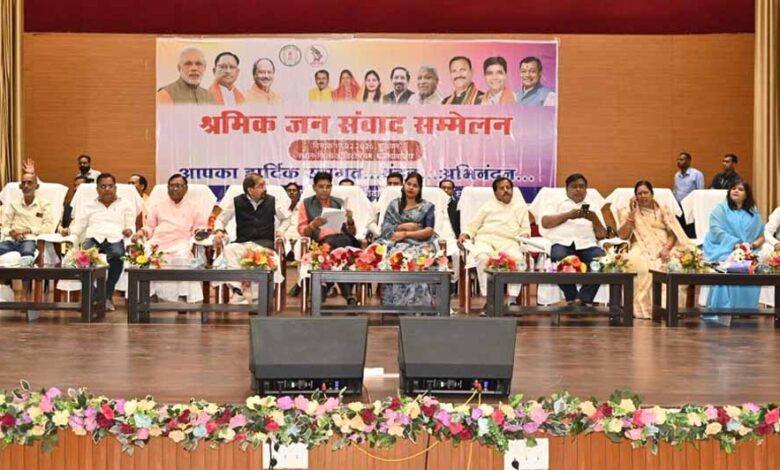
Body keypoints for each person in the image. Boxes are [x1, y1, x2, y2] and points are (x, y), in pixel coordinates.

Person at [617, 180, 692, 319]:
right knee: (635, 263)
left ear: (652, 194)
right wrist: (631, 215)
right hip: (640, 245)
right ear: (635, 196)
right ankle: (643, 309)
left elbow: (673, 232)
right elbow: (623, 235)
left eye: (645, 193)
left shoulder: (663, 209)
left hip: (666, 244)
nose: (643, 196)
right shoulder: (627, 211)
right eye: (639, 194)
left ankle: (669, 308)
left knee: (676, 265)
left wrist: (666, 248)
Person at [62, 173, 135, 311]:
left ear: (115, 188)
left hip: (115, 238)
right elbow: (79, 225)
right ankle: (96, 293)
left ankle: (107, 295)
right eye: (103, 186)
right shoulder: (88, 205)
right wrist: (69, 231)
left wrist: (129, 230)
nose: (107, 189)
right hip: (93, 238)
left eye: (110, 186)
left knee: (117, 256)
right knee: (81, 258)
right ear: (97, 189)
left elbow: (131, 225)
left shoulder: (125, 204)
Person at [214, 173, 290, 303]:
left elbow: (286, 218)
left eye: (264, 185)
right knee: (229, 250)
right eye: (261, 186)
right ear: (250, 190)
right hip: (243, 244)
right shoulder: (237, 201)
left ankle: (257, 298)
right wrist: (219, 230)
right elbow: (221, 219)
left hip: (264, 245)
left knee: (267, 259)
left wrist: (281, 231)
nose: (265, 188)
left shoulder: (272, 201)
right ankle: (239, 290)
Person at [133, 174, 208, 302]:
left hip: (181, 241)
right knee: (145, 255)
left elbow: (199, 227)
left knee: (182, 256)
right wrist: (141, 232)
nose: (174, 189)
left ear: (185, 188)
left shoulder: (194, 206)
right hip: (158, 241)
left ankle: (183, 295)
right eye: (171, 186)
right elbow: (150, 227)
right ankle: (150, 294)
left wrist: (199, 233)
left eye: (178, 186)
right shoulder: (158, 205)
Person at [458, 177, 531, 303]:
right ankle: (489, 299)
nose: (506, 190)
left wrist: (524, 235)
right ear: (495, 192)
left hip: (509, 241)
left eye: (508, 188)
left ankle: (512, 299)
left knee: (519, 260)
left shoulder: (520, 207)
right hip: (486, 240)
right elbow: (473, 224)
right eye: (502, 188)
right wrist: (466, 234)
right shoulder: (487, 206)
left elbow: (525, 228)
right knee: (482, 257)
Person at [540, 173, 607, 305]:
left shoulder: (592, 206)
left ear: (586, 190)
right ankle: (572, 297)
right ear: (567, 189)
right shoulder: (556, 202)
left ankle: (581, 299)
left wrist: (594, 218)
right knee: (559, 260)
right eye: (574, 186)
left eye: (581, 186)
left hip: (587, 244)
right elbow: (545, 223)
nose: (578, 189)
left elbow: (602, 235)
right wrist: (568, 215)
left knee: (601, 261)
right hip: (562, 243)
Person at [703, 180, 764, 321]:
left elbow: (761, 236)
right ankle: (723, 309)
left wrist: (751, 246)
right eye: (733, 188)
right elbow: (716, 231)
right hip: (722, 248)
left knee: (753, 265)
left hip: (746, 250)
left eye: (740, 189)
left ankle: (745, 309)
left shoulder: (753, 213)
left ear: (747, 194)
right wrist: (735, 245)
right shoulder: (720, 209)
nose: (736, 191)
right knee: (729, 264)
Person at [298, 172, 359, 305]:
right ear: (314, 187)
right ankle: (348, 294)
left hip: (343, 240)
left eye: (328, 187)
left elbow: (352, 232)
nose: (325, 190)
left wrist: (350, 220)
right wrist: (313, 225)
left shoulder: (339, 202)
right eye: (321, 187)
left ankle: (324, 287)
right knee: (334, 246)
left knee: (339, 242)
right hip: (320, 243)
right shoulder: (306, 204)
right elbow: (303, 231)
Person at [378, 172, 437, 306]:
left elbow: (429, 231)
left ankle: (418, 305)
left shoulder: (427, 207)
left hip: (420, 242)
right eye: (409, 184)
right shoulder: (394, 205)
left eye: (415, 186)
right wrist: (402, 226)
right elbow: (385, 228)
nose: (411, 188)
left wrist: (406, 234)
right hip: (395, 242)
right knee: (395, 258)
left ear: (420, 189)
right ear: (404, 185)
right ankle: (395, 304)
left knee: (416, 260)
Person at [0, 172, 54, 258]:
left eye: (29, 183)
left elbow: (48, 227)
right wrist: (12, 232)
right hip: (11, 240)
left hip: (29, 240)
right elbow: (5, 226)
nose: (26, 186)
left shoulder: (44, 204)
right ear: (20, 186)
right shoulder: (14, 204)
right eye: (23, 183)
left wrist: (27, 230)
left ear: (36, 186)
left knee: (27, 254)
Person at [672, 152, 704, 238]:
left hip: (690, 207)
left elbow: (700, 192)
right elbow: (675, 190)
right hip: (679, 207)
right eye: (678, 159)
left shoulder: (697, 174)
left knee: (690, 230)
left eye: (681, 159)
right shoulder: (677, 175)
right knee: (680, 230)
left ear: (689, 161)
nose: (679, 161)